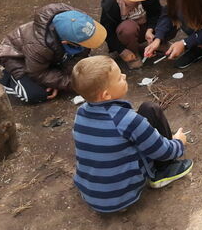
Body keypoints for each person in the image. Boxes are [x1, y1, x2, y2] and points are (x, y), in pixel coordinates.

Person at [72, 55, 192, 214]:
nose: (124, 76)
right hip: (121, 197)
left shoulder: (80, 113)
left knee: (139, 120)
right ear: (106, 95)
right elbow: (163, 151)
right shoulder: (128, 120)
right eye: (119, 78)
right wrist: (178, 142)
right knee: (151, 110)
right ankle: (162, 172)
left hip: (91, 194)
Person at [0, 4, 107, 103]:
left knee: (84, 70)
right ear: (66, 42)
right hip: (17, 57)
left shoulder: (77, 20)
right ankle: (8, 81)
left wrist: (63, 78)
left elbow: (82, 52)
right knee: (35, 94)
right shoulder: (39, 47)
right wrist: (71, 84)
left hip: (47, 58)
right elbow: (39, 73)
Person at [99, 0, 163, 70]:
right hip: (127, 35)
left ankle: (159, 42)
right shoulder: (111, 4)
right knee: (128, 28)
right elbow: (106, 31)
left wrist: (150, 29)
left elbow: (156, 12)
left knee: (169, 15)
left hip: (145, 29)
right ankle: (133, 51)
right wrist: (121, 50)